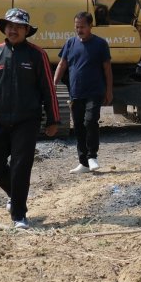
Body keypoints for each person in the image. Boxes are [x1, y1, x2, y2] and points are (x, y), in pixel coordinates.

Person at [0, 8, 59, 229]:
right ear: (4, 28)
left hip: (27, 121)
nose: (13, 30)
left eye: (18, 27)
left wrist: (53, 120)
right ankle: (15, 194)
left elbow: (48, 89)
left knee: (20, 167)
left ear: (26, 30)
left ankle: (19, 215)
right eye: (10, 26)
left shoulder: (37, 55)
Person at [53, 11, 112, 174]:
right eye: (77, 27)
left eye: (83, 27)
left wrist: (109, 90)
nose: (79, 30)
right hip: (76, 92)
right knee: (78, 126)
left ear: (90, 26)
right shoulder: (70, 43)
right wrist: (53, 83)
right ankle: (84, 163)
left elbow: (107, 69)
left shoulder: (100, 44)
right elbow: (62, 64)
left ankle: (92, 156)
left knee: (90, 121)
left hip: (95, 91)